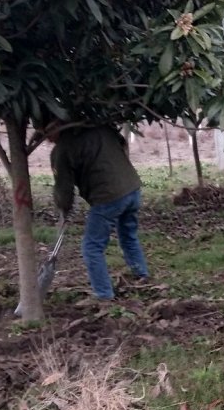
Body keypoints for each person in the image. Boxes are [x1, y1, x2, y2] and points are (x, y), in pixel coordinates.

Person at [46, 122, 149, 300]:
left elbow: (64, 188)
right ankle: (142, 275)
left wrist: (64, 208)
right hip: (133, 189)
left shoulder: (62, 149)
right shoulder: (100, 127)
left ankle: (104, 294)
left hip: (108, 197)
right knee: (128, 236)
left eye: (46, 134)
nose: (47, 140)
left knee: (92, 247)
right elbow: (122, 143)